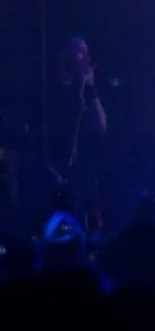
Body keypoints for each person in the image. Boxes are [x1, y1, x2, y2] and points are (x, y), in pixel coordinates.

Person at [46, 37, 108, 226]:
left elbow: (101, 127)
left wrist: (90, 87)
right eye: (80, 52)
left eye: (86, 52)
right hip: (58, 172)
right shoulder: (53, 90)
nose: (85, 57)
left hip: (85, 175)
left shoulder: (88, 88)